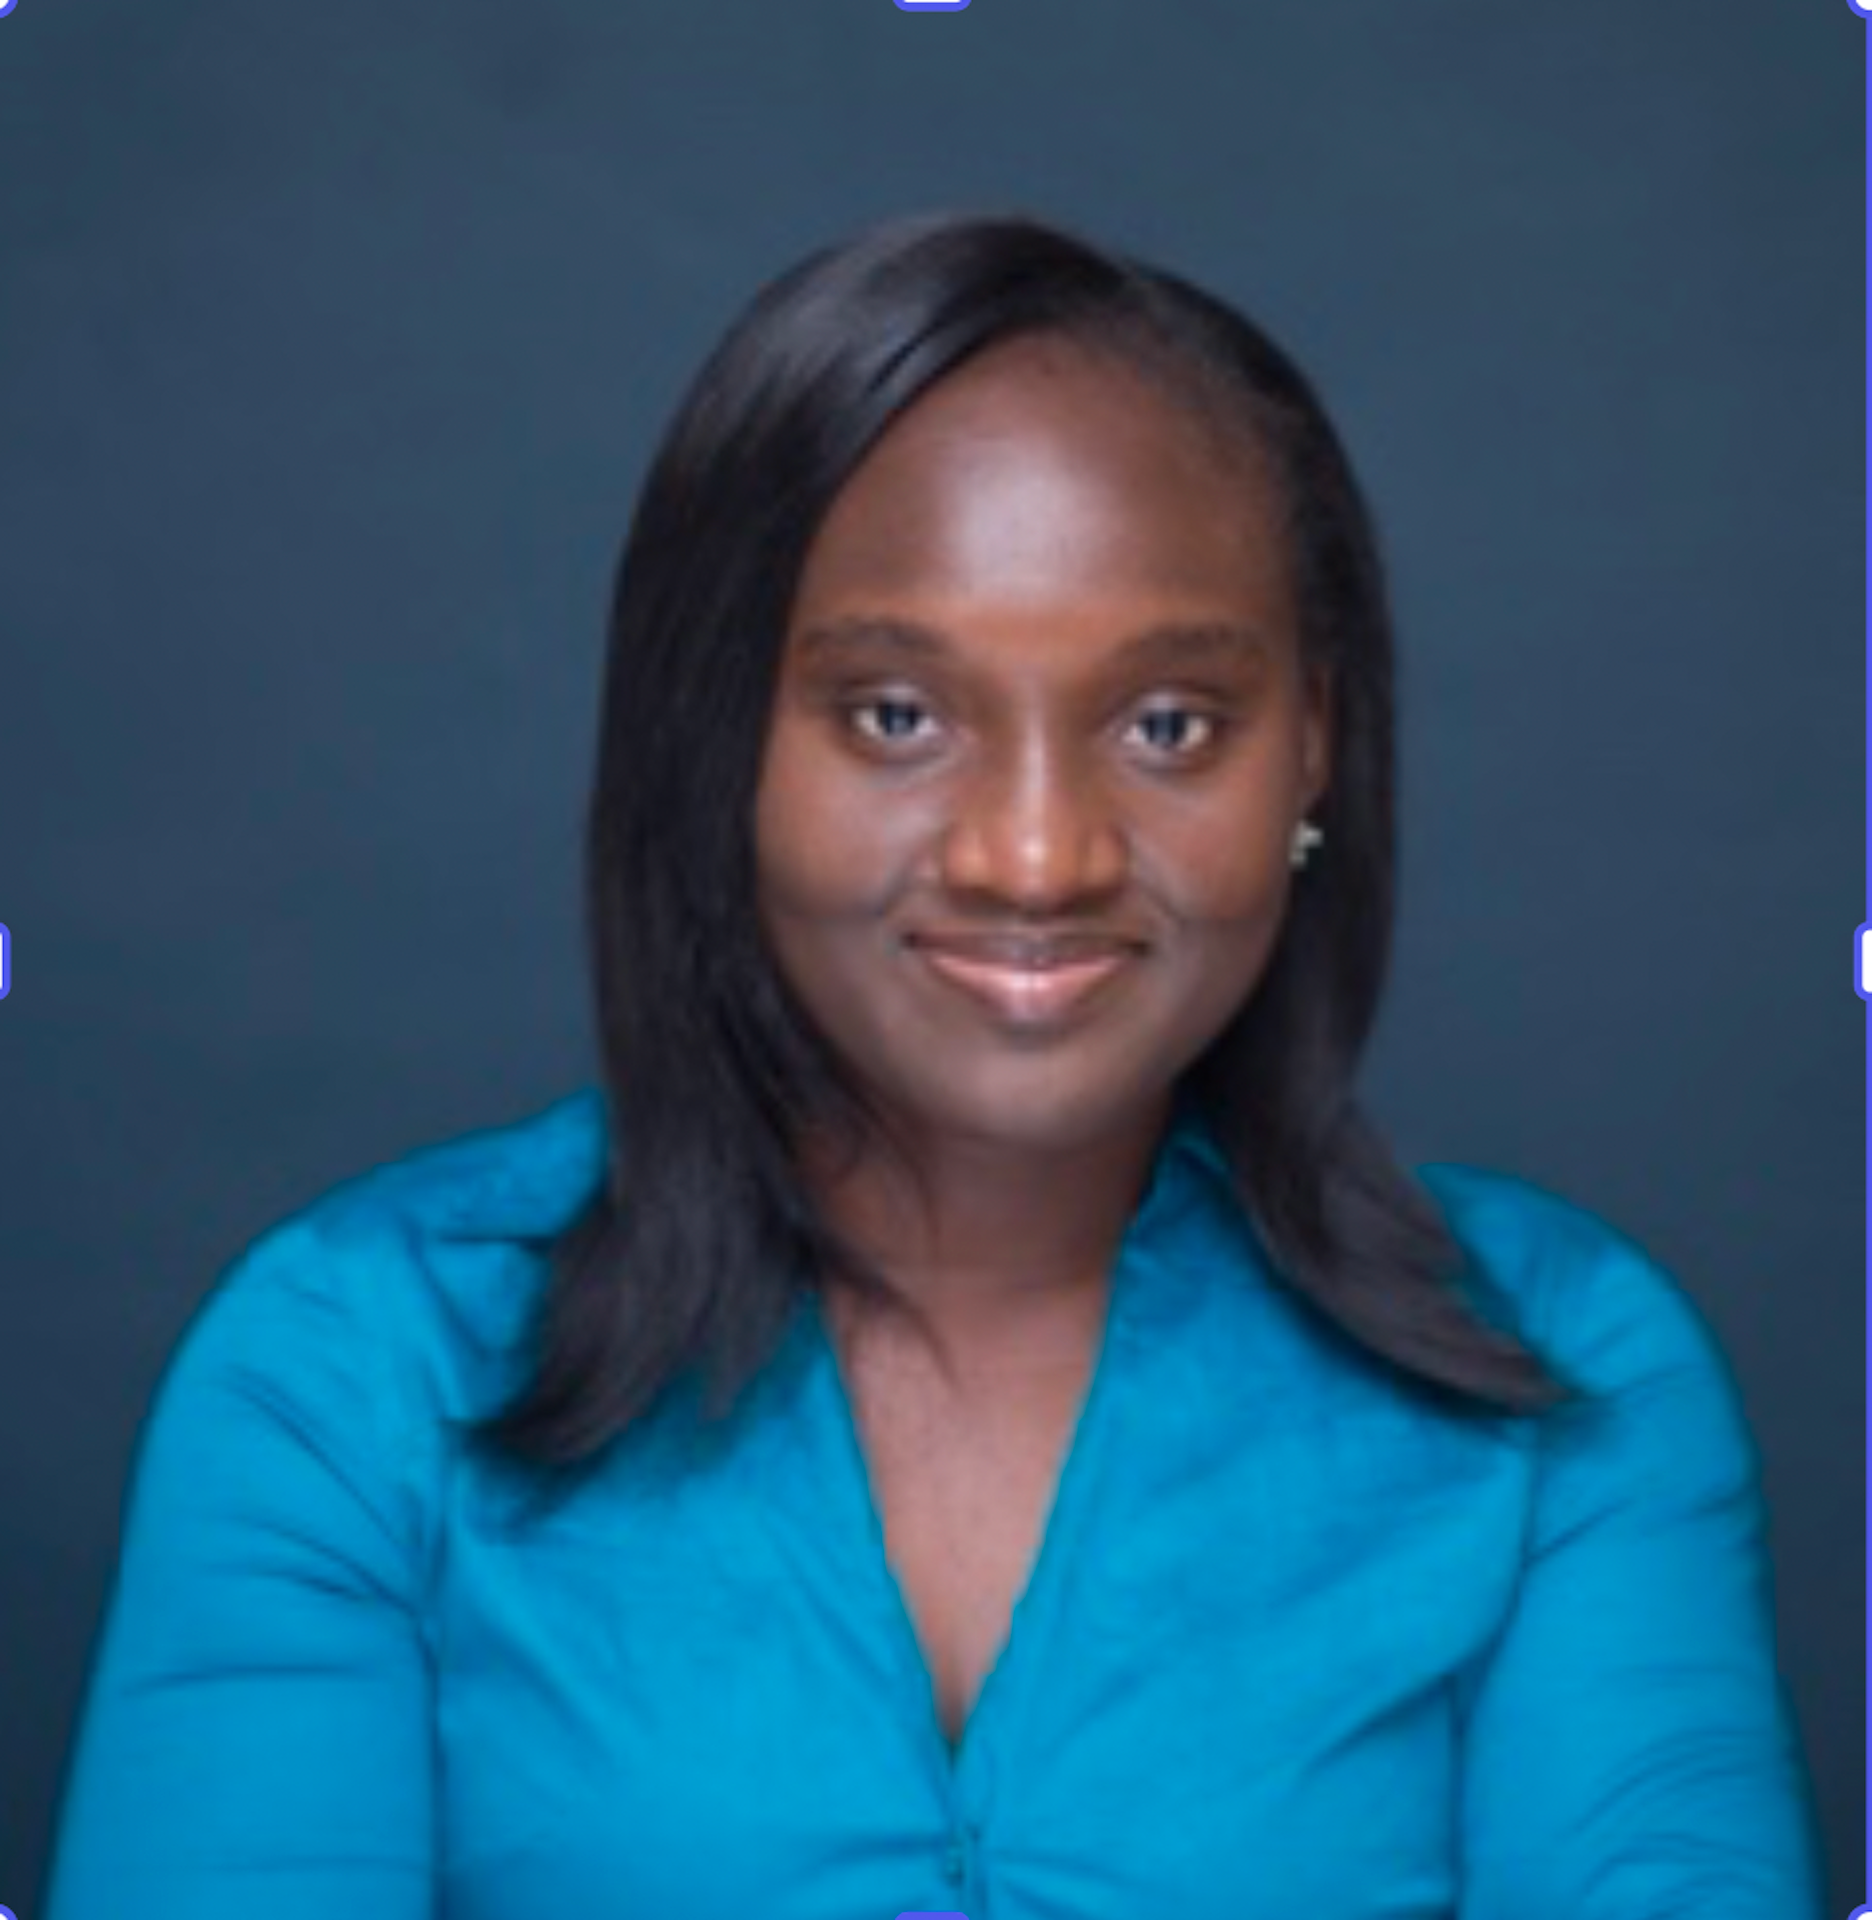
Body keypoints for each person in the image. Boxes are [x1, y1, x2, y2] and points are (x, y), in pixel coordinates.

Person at [42, 211, 1823, 1920]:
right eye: (896, 716)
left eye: (1167, 723)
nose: (1032, 856)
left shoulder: (1566, 1384)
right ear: (715, 734)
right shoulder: (350, 1377)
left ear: (1314, 753)